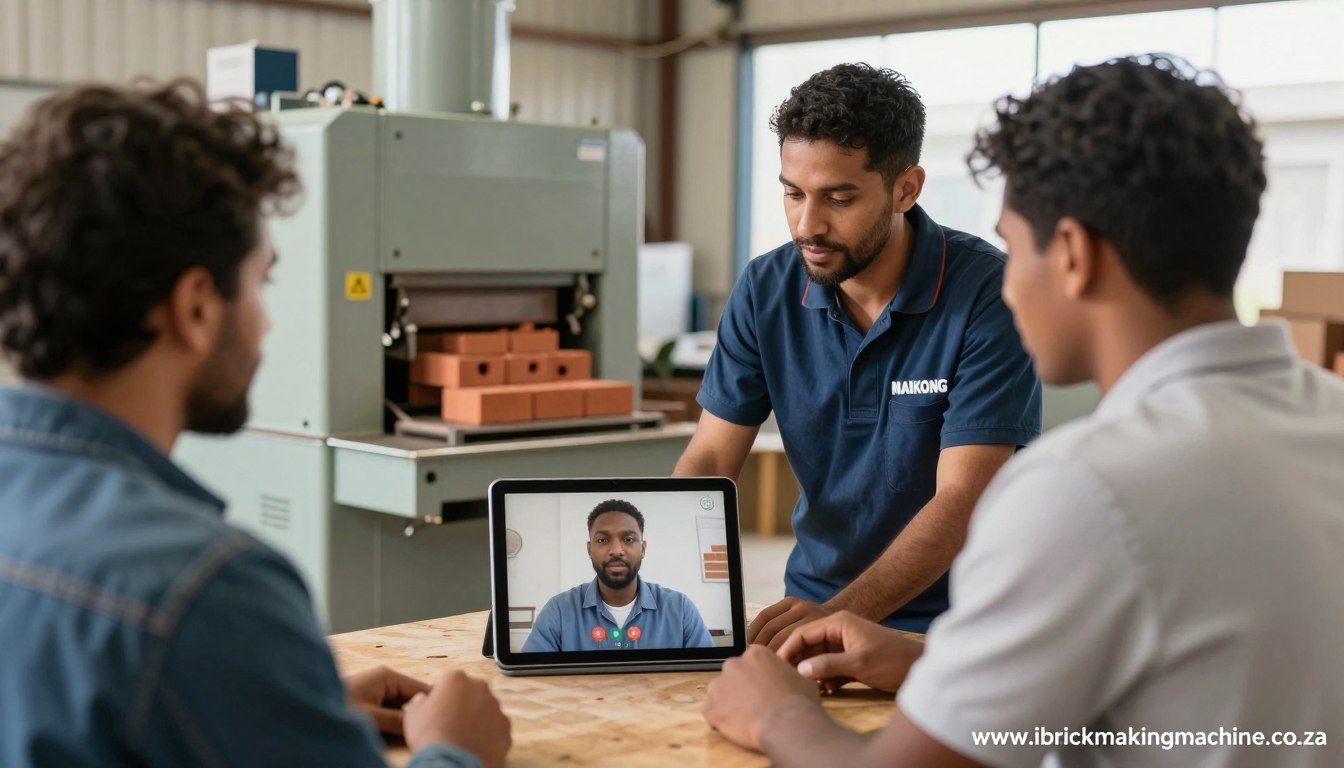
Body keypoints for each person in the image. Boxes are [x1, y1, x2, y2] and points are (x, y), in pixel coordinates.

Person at [702, 55, 1344, 767]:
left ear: (1070, 254)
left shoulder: (1084, 490)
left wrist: (777, 716)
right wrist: (927, 661)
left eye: (1013, 245)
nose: (1007, 285)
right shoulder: (1329, 420)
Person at [0, 80, 511, 768]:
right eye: (262, 282)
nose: (267, 320)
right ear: (197, 307)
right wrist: (455, 750)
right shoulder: (205, 590)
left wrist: (273, 700)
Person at [674, 63, 1042, 642]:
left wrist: (842, 617)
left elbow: (963, 498)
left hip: (960, 630)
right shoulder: (765, 287)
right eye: (793, 194)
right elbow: (710, 460)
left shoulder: (987, 295)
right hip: (814, 610)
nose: (807, 224)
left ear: (906, 189)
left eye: (838, 198)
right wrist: (669, 592)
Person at [522, 499, 714, 651]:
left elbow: (707, 681)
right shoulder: (558, 611)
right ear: (589, 549)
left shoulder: (680, 609)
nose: (616, 550)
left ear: (643, 548)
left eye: (628, 539)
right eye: (603, 539)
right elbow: (529, 684)